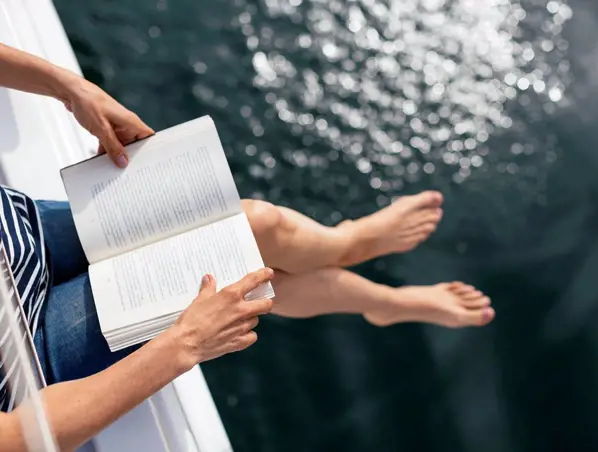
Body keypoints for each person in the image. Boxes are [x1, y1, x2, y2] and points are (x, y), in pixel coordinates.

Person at [0, 43, 494, 451]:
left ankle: (358, 257)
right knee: (250, 255)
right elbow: (20, 439)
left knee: (255, 229)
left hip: (19, 234)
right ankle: (368, 271)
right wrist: (184, 344)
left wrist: (73, 89)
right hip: (27, 349)